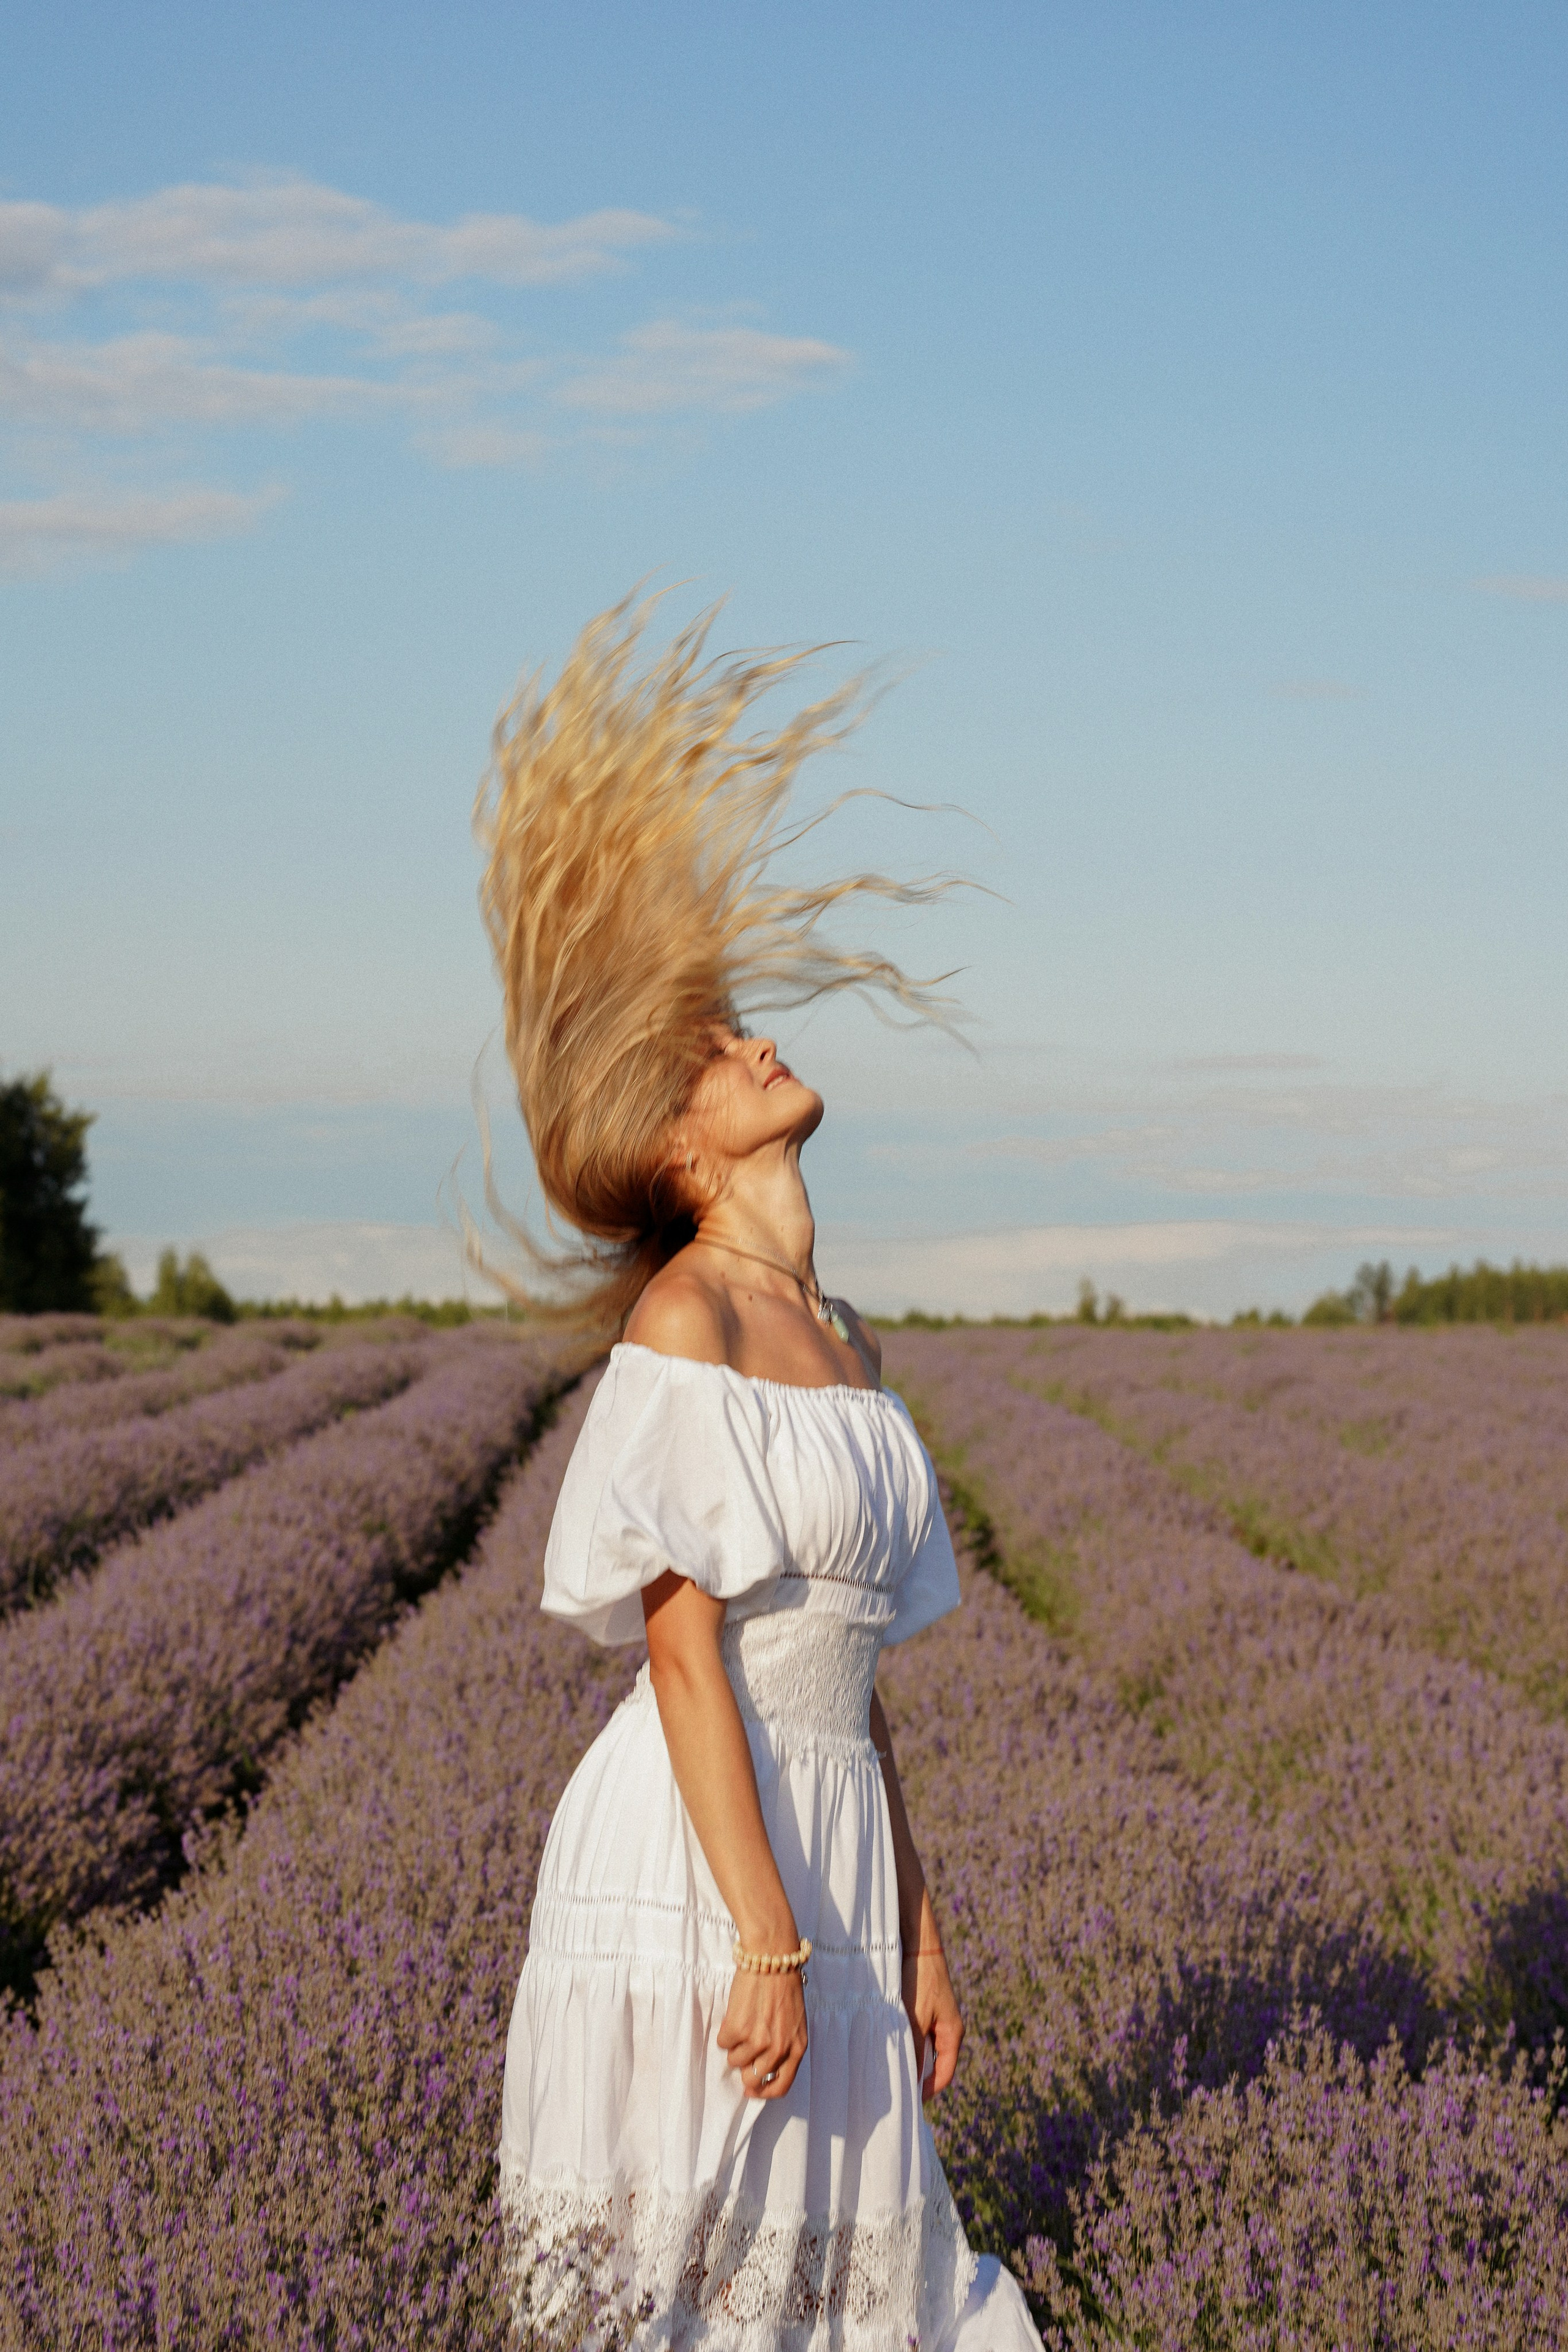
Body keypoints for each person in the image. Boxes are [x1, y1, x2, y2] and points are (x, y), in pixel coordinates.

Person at [477, 592, 1041, 2351]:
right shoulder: (683, 1322)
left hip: (833, 1850)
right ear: (674, 1145)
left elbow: (851, 1690)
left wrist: (919, 1928)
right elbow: (680, 1647)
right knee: (689, 2290)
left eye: (741, 1031)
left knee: (862, 2296)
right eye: (716, 1054)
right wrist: (769, 1936)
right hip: (703, 1865)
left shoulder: (847, 1343)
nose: (757, 1046)